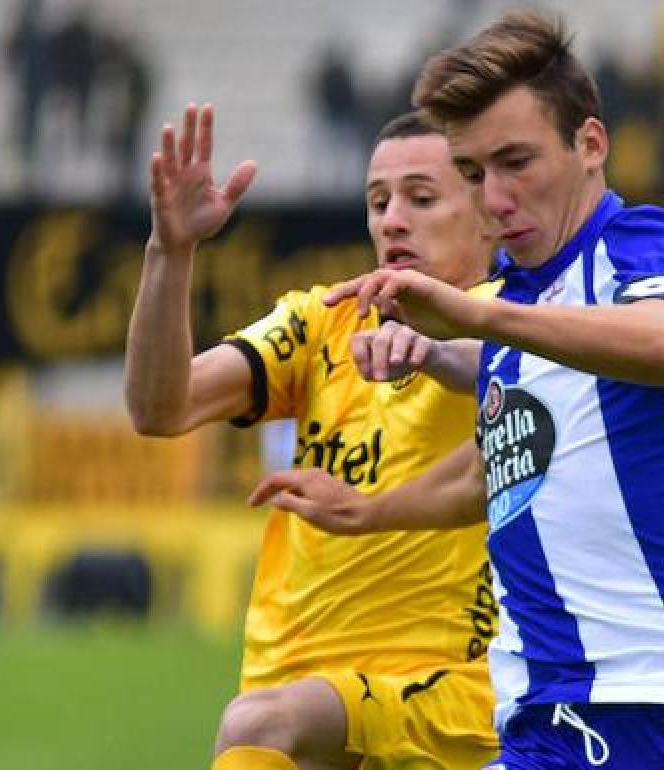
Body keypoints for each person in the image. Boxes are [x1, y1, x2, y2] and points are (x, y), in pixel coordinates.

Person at [252, 11, 664, 769]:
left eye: (516, 162)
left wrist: (472, 316)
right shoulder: (519, 314)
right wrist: (373, 505)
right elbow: (498, 467)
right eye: (473, 174)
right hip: (555, 725)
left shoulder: (641, 247)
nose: (494, 198)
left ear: (590, 145)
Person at [125, 105, 500, 770]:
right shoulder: (324, 321)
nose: (392, 219)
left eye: (421, 197)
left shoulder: (517, 319)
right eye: (378, 201)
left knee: (261, 725)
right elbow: (161, 406)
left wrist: (438, 347)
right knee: (264, 721)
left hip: (443, 690)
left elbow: (522, 373)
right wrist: (170, 251)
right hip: (300, 685)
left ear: (487, 211)